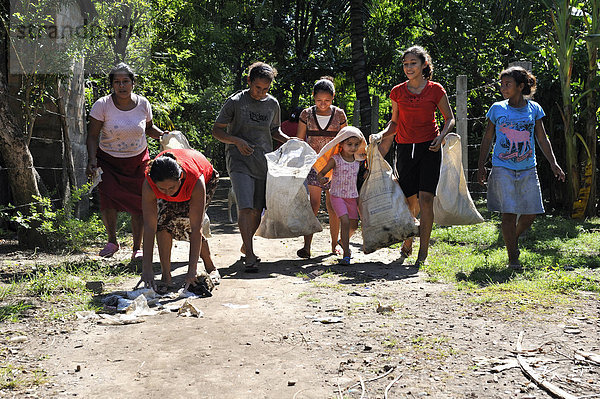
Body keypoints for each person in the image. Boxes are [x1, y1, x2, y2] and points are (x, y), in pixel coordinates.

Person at [371, 46, 455, 267]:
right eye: (405, 64)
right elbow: (394, 122)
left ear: (423, 64)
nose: (409, 67)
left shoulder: (436, 90)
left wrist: (442, 136)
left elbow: (449, 119)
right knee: (410, 203)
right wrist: (381, 134)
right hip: (405, 149)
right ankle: (408, 240)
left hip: (430, 148)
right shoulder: (397, 91)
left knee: (426, 199)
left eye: (413, 63)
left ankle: (423, 254)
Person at [477, 66, 565, 271]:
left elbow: (542, 138)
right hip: (502, 167)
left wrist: (553, 163)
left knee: (530, 213)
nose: (503, 88)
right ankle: (512, 258)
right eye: (502, 84)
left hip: (528, 168)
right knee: (508, 214)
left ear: (520, 86)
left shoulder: (534, 109)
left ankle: (512, 239)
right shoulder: (497, 109)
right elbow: (488, 138)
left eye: (508, 84)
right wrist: (481, 166)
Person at [212, 62, 291, 272]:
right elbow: (217, 130)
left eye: (266, 89)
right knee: (245, 206)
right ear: (249, 82)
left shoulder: (272, 104)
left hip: (263, 162)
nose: (261, 93)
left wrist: (290, 141)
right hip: (239, 161)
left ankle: (246, 243)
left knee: (257, 209)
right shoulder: (235, 102)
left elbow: (274, 130)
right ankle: (250, 254)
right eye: (258, 88)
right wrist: (237, 141)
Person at [86, 63, 165, 259]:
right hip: (109, 161)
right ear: (112, 85)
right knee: (108, 199)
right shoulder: (102, 105)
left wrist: (164, 136)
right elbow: (92, 135)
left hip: (138, 160)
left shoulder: (143, 104)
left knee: (140, 203)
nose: (122, 86)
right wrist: (91, 160)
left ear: (133, 83)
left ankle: (137, 248)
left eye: (125, 82)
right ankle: (112, 241)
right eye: (117, 82)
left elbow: (149, 128)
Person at [138, 149, 220, 291]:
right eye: (162, 189)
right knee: (163, 225)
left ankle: (210, 266)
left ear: (180, 177)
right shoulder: (149, 183)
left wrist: (192, 270)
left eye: (171, 187)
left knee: (187, 223)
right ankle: (166, 277)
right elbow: (150, 227)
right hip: (177, 178)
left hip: (205, 176)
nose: (168, 192)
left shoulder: (195, 180)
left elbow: (196, 228)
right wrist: (147, 269)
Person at [296, 76, 348, 259]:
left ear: (333, 97)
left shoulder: (340, 115)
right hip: (314, 166)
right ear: (313, 97)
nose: (323, 104)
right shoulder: (306, 114)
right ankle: (307, 246)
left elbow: (345, 139)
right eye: (319, 100)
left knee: (333, 206)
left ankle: (335, 246)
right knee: (314, 204)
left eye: (327, 100)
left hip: (335, 166)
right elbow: (300, 140)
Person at [316, 127, 366, 265]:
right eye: (349, 144)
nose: (353, 147)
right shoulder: (335, 159)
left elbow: (363, 175)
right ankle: (346, 254)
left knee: (354, 225)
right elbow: (321, 172)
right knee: (344, 221)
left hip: (352, 197)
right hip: (337, 196)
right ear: (341, 144)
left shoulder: (359, 161)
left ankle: (343, 241)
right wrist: (322, 179)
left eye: (356, 144)